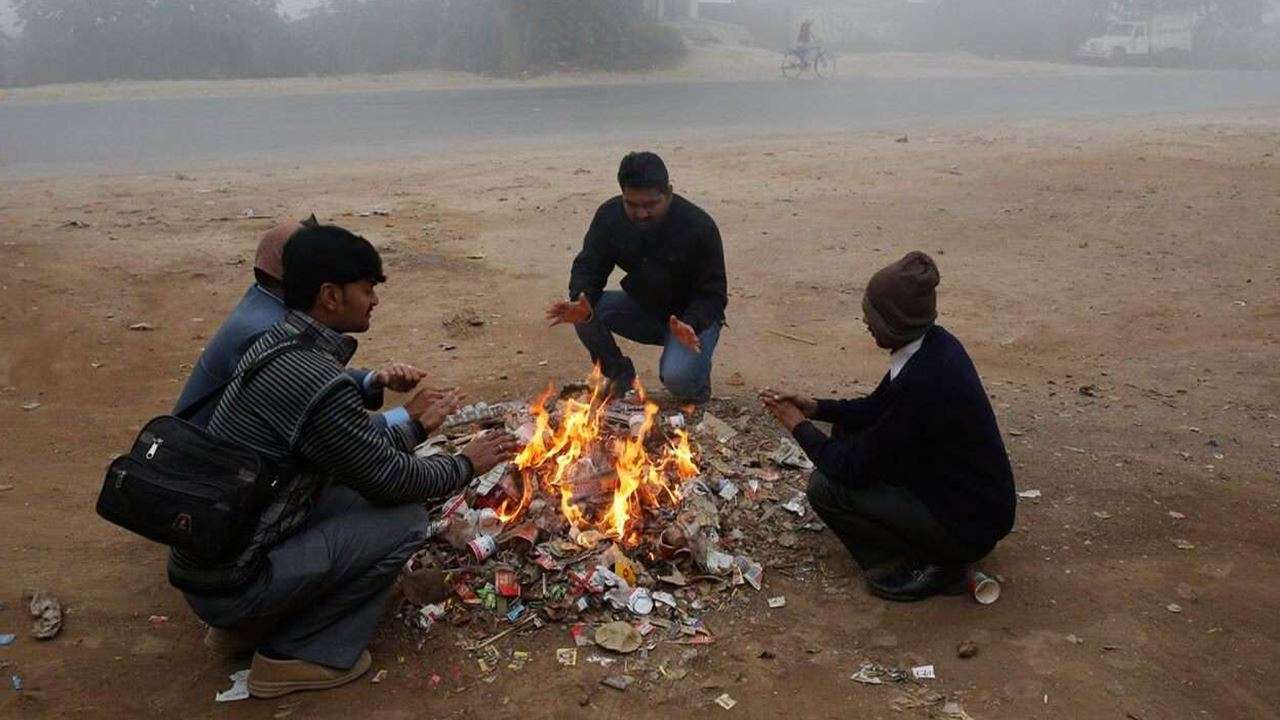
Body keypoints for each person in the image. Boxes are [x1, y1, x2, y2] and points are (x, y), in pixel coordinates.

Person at [175, 224, 521, 698]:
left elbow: (352, 454)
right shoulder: (313, 379)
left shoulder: (276, 344)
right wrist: (466, 464)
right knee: (402, 521)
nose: (375, 300)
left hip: (215, 564)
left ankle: (249, 625)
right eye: (367, 288)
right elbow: (392, 480)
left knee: (352, 492)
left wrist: (416, 427)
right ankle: (297, 654)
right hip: (233, 580)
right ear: (330, 297)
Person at [761, 251, 1015, 602]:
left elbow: (850, 469)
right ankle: (928, 545)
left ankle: (926, 564)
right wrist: (816, 407)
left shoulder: (924, 382)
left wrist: (797, 426)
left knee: (825, 488)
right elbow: (876, 407)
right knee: (846, 433)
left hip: (969, 526)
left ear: (894, 322)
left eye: (872, 316)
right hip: (972, 503)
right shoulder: (934, 345)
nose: (866, 322)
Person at [172, 217, 429, 433]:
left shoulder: (266, 302)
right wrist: (406, 417)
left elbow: (310, 379)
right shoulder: (266, 331)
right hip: (213, 478)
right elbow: (335, 436)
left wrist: (372, 380)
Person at [545, 152, 727, 403]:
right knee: (585, 311)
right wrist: (581, 297)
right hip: (647, 308)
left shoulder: (698, 226)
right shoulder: (610, 217)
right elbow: (589, 265)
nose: (641, 214)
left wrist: (691, 322)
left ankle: (696, 389)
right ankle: (621, 376)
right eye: (632, 205)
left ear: (669, 193)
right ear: (622, 195)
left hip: (691, 322)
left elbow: (714, 294)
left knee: (678, 378)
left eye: (650, 205)